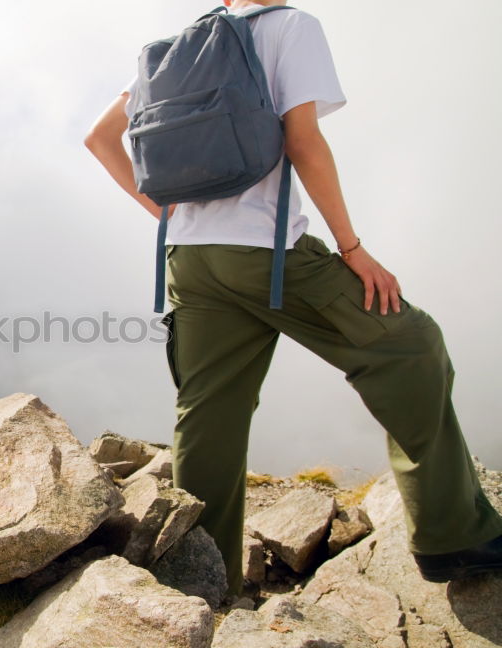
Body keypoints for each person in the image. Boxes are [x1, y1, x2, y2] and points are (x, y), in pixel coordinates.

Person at [84, 0, 502, 596]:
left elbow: (100, 138)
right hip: (267, 252)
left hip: (189, 260)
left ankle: (199, 591)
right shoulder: (290, 27)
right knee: (409, 344)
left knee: (209, 416)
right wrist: (352, 248)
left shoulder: (176, 47)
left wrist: (168, 215)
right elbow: (303, 142)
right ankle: (454, 535)